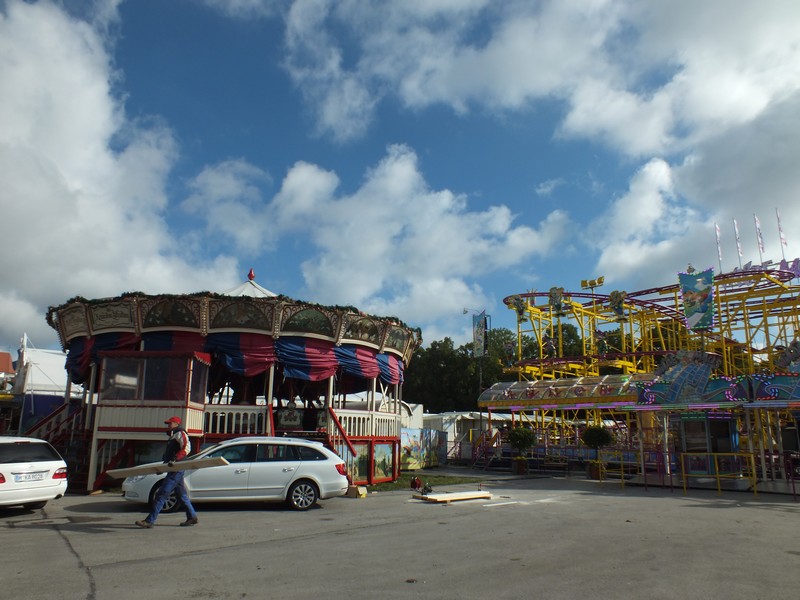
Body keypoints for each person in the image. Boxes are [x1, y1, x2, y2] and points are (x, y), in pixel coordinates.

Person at [135, 416, 198, 528]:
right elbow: (169, 455)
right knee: (181, 495)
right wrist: (163, 467)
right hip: (173, 467)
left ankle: (150, 521)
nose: (168, 425)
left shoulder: (180, 433)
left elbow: (186, 448)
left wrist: (176, 459)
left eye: (170, 423)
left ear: (176, 423)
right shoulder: (173, 435)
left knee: (161, 494)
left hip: (176, 467)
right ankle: (192, 517)